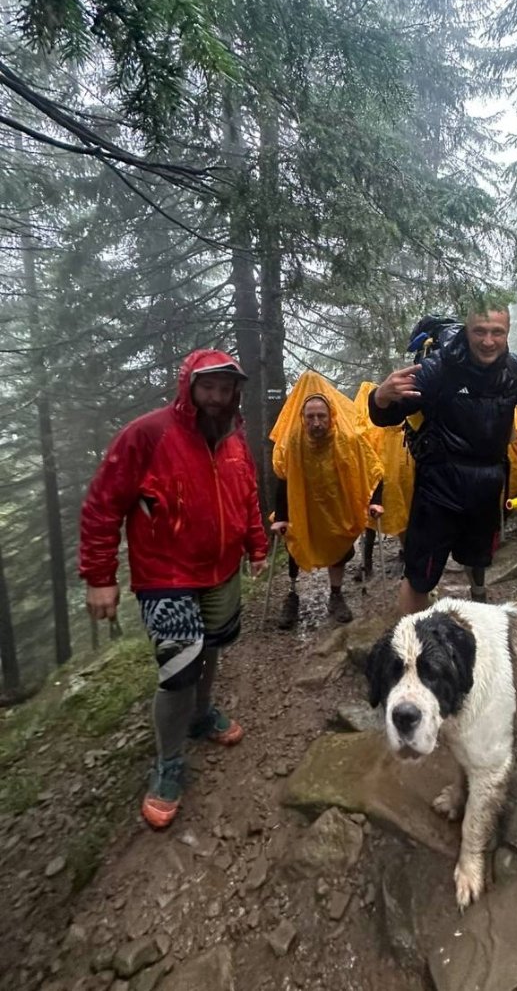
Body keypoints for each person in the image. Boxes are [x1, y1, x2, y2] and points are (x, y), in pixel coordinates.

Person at [79, 350, 269, 830]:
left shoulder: (234, 439)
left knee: (212, 649)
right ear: (189, 387)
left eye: (225, 389)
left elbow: (245, 495)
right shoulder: (148, 434)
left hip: (222, 570)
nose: (217, 398)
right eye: (208, 388)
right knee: (178, 669)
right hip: (165, 576)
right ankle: (168, 762)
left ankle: (202, 716)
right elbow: (104, 504)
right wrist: (100, 577)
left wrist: (257, 545)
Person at [369, 304, 517, 613]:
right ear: (466, 330)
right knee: (420, 576)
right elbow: (389, 415)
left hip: (488, 484)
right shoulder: (440, 367)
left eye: (497, 332)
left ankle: (478, 601)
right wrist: (380, 397)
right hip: (439, 487)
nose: (488, 341)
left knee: (477, 558)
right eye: (479, 331)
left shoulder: (514, 370)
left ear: (507, 333)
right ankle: (411, 648)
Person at [269, 372, 383, 628]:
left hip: (336, 508)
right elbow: (283, 480)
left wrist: (374, 501)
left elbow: (373, 470)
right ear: (303, 418)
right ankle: (292, 593)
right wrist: (282, 517)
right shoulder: (293, 442)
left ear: (331, 416)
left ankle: (336, 594)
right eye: (311, 417)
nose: (316, 422)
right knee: (295, 544)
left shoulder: (347, 440)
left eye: (321, 416)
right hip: (303, 509)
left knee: (338, 550)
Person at [353, 380, 414, 580]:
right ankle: (368, 562)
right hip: (381, 469)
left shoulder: (387, 417)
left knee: (399, 512)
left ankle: (406, 556)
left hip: (395, 466)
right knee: (377, 516)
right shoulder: (367, 421)